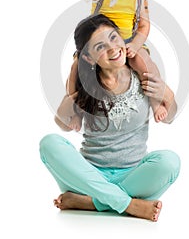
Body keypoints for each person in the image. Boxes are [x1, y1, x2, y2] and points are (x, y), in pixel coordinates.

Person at [39, 14, 180, 222]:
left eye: (114, 38)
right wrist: (68, 102)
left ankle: (90, 202)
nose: (113, 48)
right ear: (88, 58)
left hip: (132, 176)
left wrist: (166, 95)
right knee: (49, 143)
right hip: (88, 177)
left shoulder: (142, 74)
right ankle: (128, 204)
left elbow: (170, 117)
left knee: (170, 162)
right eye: (100, 47)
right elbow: (62, 124)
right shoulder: (86, 84)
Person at [67, 0, 168, 122]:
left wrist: (136, 45)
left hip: (128, 41)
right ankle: (75, 111)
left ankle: (155, 100)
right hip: (99, 42)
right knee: (75, 69)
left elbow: (144, 26)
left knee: (147, 65)